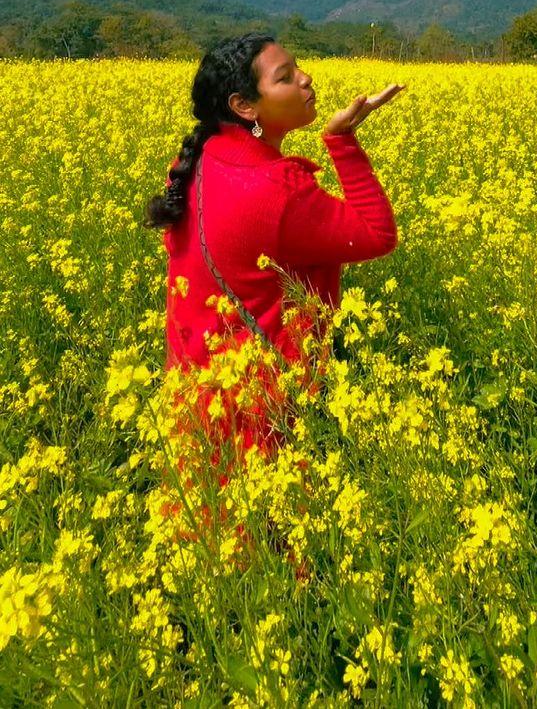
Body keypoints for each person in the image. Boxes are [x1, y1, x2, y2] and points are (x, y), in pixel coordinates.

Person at [145, 32, 404, 471]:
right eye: (285, 77)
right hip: (256, 416)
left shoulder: (197, 159)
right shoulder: (276, 190)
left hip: (194, 398)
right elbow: (377, 234)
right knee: (263, 533)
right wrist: (342, 141)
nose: (306, 79)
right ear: (245, 107)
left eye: (298, 67)